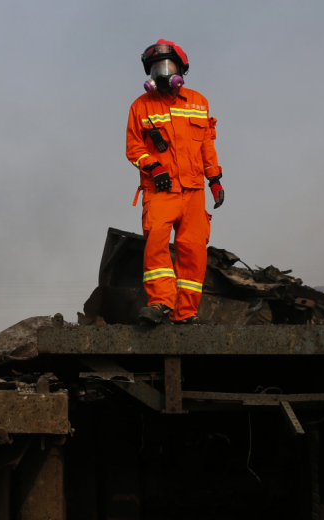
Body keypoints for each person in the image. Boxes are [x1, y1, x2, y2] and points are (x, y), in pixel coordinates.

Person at [126, 39, 224, 325]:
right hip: (160, 190)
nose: (162, 73)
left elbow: (207, 145)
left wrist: (214, 179)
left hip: (193, 191)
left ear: (181, 69)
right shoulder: (140, 107)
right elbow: (133, 148)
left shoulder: (198, 102)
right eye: (156, 67)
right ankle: (160, 305)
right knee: (156, 245)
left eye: (167, 66)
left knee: (193, 251)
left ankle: (186, 313)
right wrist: (154, 167)